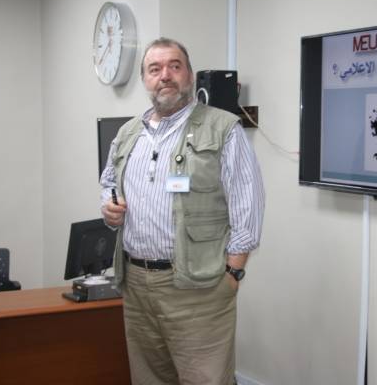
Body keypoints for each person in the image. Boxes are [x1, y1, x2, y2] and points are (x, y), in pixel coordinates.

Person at [100, 37, 265, 385]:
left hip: (199, 288)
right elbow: (109, 183)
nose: (165, 75)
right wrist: (110, 209)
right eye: (155, 69)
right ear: (145, 79)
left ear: (189, 75)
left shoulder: (223, 128)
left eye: (175, 66)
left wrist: (232, 274)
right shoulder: (128, 133)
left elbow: (247, 206)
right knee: (149, 378)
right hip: (137, 286)